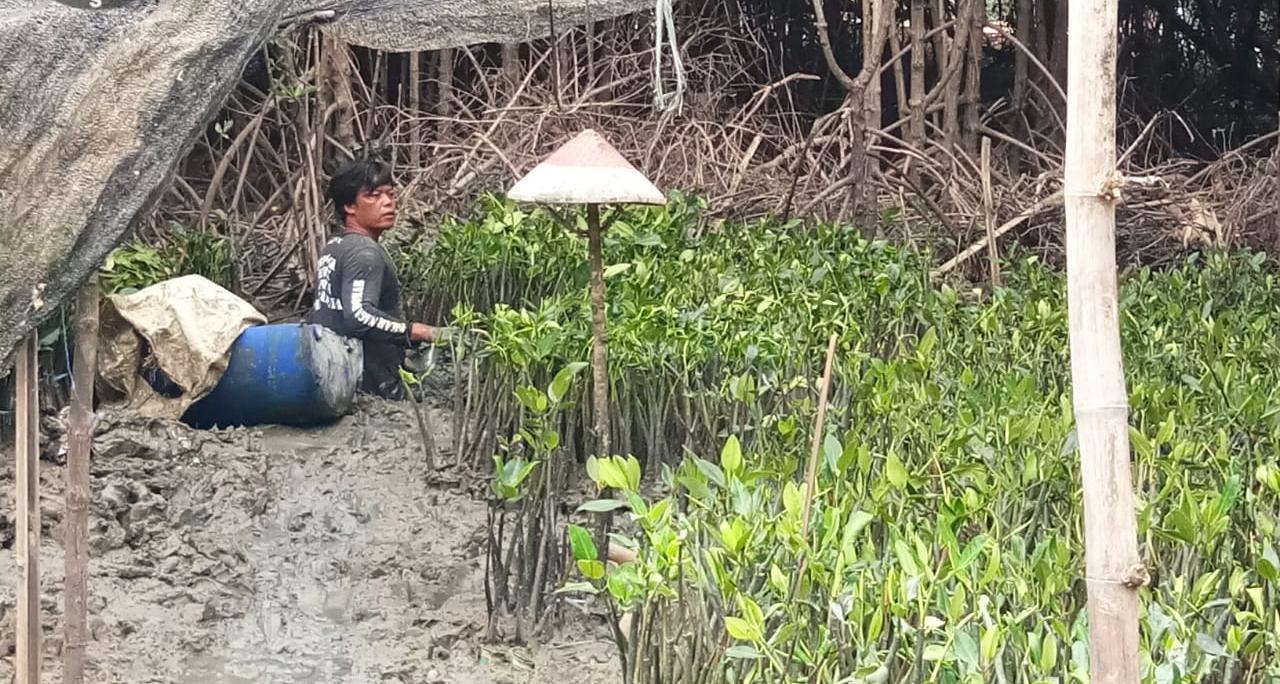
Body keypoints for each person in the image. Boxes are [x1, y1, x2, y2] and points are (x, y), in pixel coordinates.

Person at [307, 158, 441, 399]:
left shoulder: (336, 246)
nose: (388, 203)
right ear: (349, 206)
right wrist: (415, 331)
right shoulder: (364, 253)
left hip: (328, 371)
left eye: (390, 194)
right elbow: (359, 316)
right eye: (374, 195)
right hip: (366, 385)